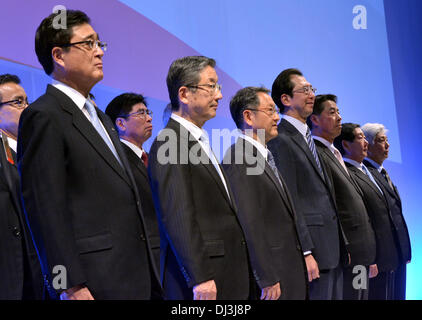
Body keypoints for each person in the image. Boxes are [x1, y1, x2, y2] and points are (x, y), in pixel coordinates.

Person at [17, 10, 161, 299]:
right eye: (89, 44)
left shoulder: (100, 117)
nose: (99, 52)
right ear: (58, 55)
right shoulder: (43, 115)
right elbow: (45, 207)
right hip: (92, 282)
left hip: (136, 276)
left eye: (99, 44)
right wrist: (69, 285)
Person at [148, 56, 250, 300]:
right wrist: (200, 277)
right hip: (203, 282)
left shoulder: (196, 140)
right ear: (184, 94)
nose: (219, 95)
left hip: (226, 273)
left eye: (219, 87)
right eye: (211, 86)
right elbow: (178, 216)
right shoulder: (170, 142)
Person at [267, 68, 347, 300]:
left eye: (312, 89)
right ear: (286, 99)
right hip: (312, 253)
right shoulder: (281, 139)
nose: (311, 94)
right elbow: (290, 199)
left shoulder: (308, 138)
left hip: (332, 250)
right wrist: (306, 250)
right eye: (304, 90)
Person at [222, 86, 307, 300]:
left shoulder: (264, 156)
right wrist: (266, 276)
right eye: (270, 111)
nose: (277, 117)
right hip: (273, 278)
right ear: (248, 116)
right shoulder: (239, 157)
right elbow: (250, 222)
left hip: (288, 270)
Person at [309, 96, 377, 300]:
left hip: (361, 252)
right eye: (332, 112)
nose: (339, 117)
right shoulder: (317, 154)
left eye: (339, 112)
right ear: (314, 119)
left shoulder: (334, 153)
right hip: (348, 253)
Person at [335, 123, 402, 300]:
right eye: (360, 138)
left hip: (379, 256)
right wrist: (372, 257)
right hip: (362, 257)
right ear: (346, 145)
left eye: (365, 138)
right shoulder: (348, 172)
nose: (365, 142)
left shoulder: (367, 172)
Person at [105, 93, 161, 276]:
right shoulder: (115, 162)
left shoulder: (153, 159)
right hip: (139, 260)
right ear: (120, 124)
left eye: (148, 112)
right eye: (141, 113)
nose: (149, 118)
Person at [0, 74, 43, 300]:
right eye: (17, 102)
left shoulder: (35, 151)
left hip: (45, 271)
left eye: (27, 101)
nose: (26, 108)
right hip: (13, 274)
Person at [361, 123, 411, 299]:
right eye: (381, 140)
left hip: (396, 253)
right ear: (367, 145)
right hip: (381, 258)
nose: (387, 145)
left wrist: (404, 249)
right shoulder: (364, 173)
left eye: (387, 140)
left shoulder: (383, 173)